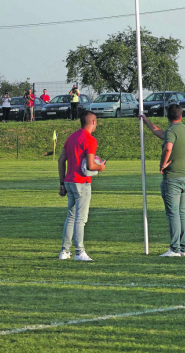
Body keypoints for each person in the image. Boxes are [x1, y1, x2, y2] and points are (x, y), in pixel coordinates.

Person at [141, 104, 185, 257]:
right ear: (181, 116)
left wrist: (162, 163)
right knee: (182, 212)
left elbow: (168, 147)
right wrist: (146, 121)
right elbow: (161, 133)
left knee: (173, 213)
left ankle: (175, 249)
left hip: (173, 178)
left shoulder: (171, 131)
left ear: (167, 117)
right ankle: (184, 248)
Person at [58, 111, 105, 261]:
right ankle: (80, 251)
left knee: (71, 216)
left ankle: (65, 251)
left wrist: (61, 182)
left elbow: (61, 160)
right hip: (82, 182)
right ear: (93, 122)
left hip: (69, 181)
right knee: (81, 218)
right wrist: (101, 167)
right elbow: (91, 165)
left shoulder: (71, 137)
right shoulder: (90, 139)